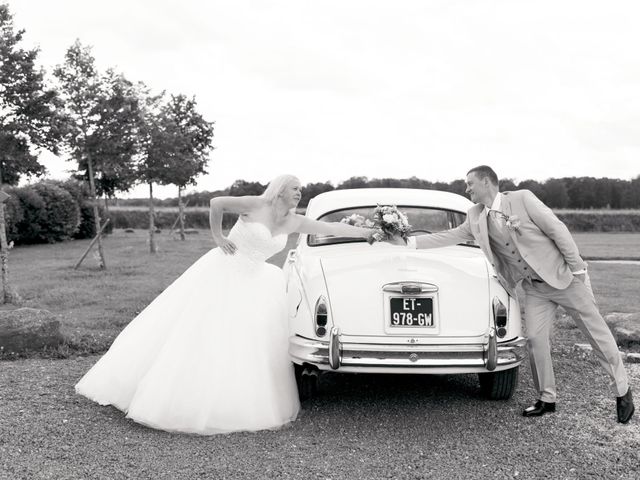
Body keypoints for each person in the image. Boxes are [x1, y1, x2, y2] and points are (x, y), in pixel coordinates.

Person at [75, 174, 375, 435]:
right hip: (225, 270)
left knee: (247, 342)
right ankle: (177, 397)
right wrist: (217, 236)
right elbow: (217, 202)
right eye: (294, 187)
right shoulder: (255, 204)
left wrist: (370, 234)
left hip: (259, 280)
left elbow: (333, 229)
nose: (299, 192)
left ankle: (234, 400)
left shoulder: (293, 220)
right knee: (203, 330)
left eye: (301, 188)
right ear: (280, 189)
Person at [410, 165, 634, 423]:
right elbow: (449, 236)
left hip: (565, 279)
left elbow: (557, 229)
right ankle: (547, 398)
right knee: (536, 340)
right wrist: (411, 242)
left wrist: (578, 270)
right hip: (534, 287)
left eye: (470, 183)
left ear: (486, 181)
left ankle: (622, 390)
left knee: (597, 335)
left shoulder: (523, 199)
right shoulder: (475, 216)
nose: (467, 188)